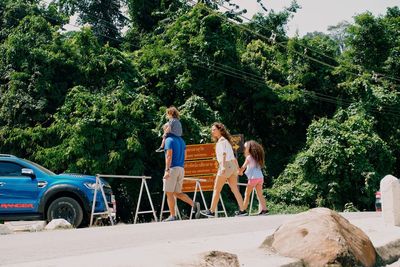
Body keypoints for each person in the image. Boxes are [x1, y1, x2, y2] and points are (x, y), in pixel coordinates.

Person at [200, 122, 247, 218]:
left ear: (220, 130)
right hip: (232, 166)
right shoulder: (227, 141)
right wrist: (238, 169)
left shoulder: (221, 141)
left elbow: (224, 154)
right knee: (234, 189)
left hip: (225, 165)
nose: (212, 131)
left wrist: (223, 166)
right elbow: (234, 157)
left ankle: (211, 211)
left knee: (217, 189)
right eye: (212, 130)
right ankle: (243, 210)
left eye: (214, 129)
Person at [162, 128, 200, 222]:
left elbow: (169, 155)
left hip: (172, 168)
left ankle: (172, 216)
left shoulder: (169, 140)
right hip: (181, 168)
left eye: (164, 130)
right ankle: (194, 204)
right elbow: (185, 156)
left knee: (169, 193)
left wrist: (167, 170)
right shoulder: (181, 140)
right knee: (177, 193)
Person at [239, 140, 269, 215]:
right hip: (260, 178)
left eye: (245, 147)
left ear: (249, 149)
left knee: (247, 194)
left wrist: (240, 172)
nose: (244, 149)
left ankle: (243, 210)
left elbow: (243, 167)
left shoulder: (249, 157)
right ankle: (264, 209)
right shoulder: (257, 157)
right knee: (260, 194)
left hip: (253, 178)